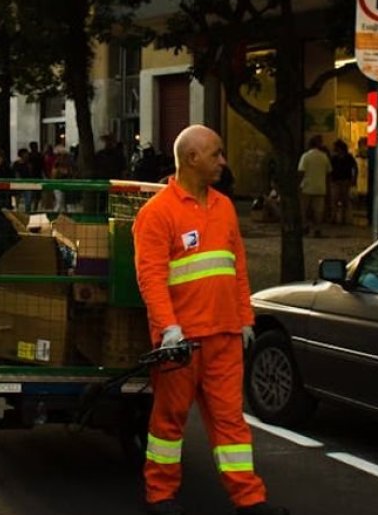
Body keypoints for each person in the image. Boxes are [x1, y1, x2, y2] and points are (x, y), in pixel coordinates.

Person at [132, 125, 285, 515]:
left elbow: (237, 269)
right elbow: (151, 277)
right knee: (170, 421)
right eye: (216, 154)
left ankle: (250, 499)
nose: (223, 161)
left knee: (230, 421)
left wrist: (245, 318)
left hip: (224, 336)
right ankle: (160, 494)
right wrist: (169, 329)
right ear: (192, 159)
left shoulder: (224, 206)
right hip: (180, 343)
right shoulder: (157, 214)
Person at [298, 135, 331, 237]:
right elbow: (328, 173)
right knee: (318, 210)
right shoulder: (324, 157)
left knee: (304, 209)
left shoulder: (305, 156)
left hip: (307, 187)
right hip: (320, 187)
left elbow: (301, 171)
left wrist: (298, 185)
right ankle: (317, 229)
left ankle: (305, 226)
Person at [329, 140, 357, 225]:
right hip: (337, 180)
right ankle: (335, 217)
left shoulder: (348, 157)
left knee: (344, 200)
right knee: (335, 200)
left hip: (344, 180)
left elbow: (354, 167)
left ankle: (343, 218)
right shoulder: (335, 158)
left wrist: (354, 178)